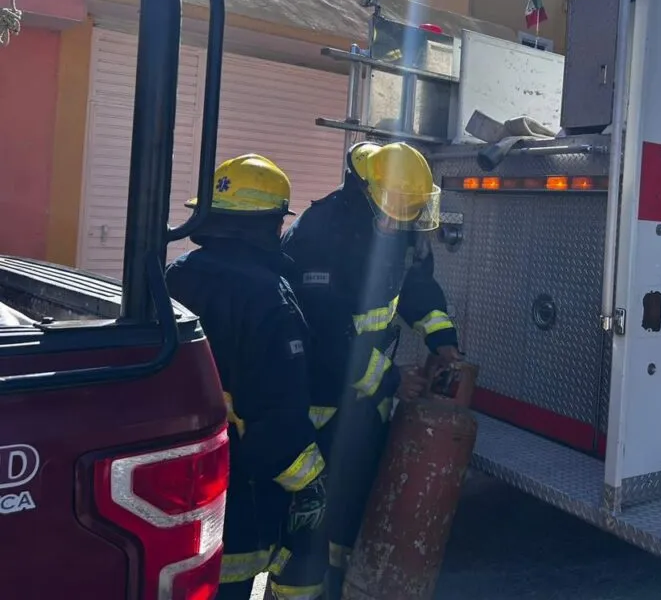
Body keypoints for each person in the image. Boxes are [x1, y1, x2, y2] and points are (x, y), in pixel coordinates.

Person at [280, 140, 461, 596]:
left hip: (364, 398)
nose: (402, 216)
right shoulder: (323, 231)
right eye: (398, 203)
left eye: (412, 206)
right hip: (317, 400)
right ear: (367, 190)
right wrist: (393, 379)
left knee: (352, 506)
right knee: (307, 517)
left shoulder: (402, 229)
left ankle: (342, 585)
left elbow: (417, 287)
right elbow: (326, 332)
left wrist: (442, 339)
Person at [164, 154, 328, 600]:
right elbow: (281, 411)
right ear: (267, 224)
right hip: (238, 492)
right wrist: (309, 483)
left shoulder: (176, 275)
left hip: (175, 477)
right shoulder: (270, 297)